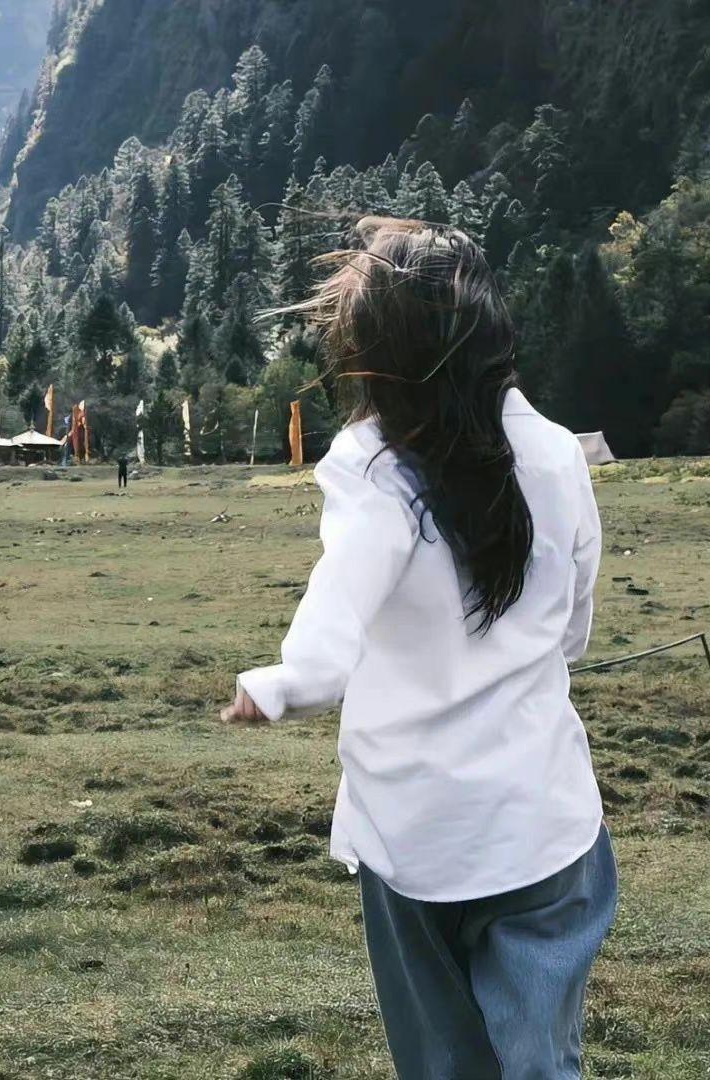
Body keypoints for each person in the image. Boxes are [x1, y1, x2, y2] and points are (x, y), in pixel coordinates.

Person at [222, 217, 614, 1079]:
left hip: (416, 836)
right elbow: (573, 632)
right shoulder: (556, 454)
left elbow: (331, 629)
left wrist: (284, 683)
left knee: (443, 1064)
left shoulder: (374, 468)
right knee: (543, 1062)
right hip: (542, 821)